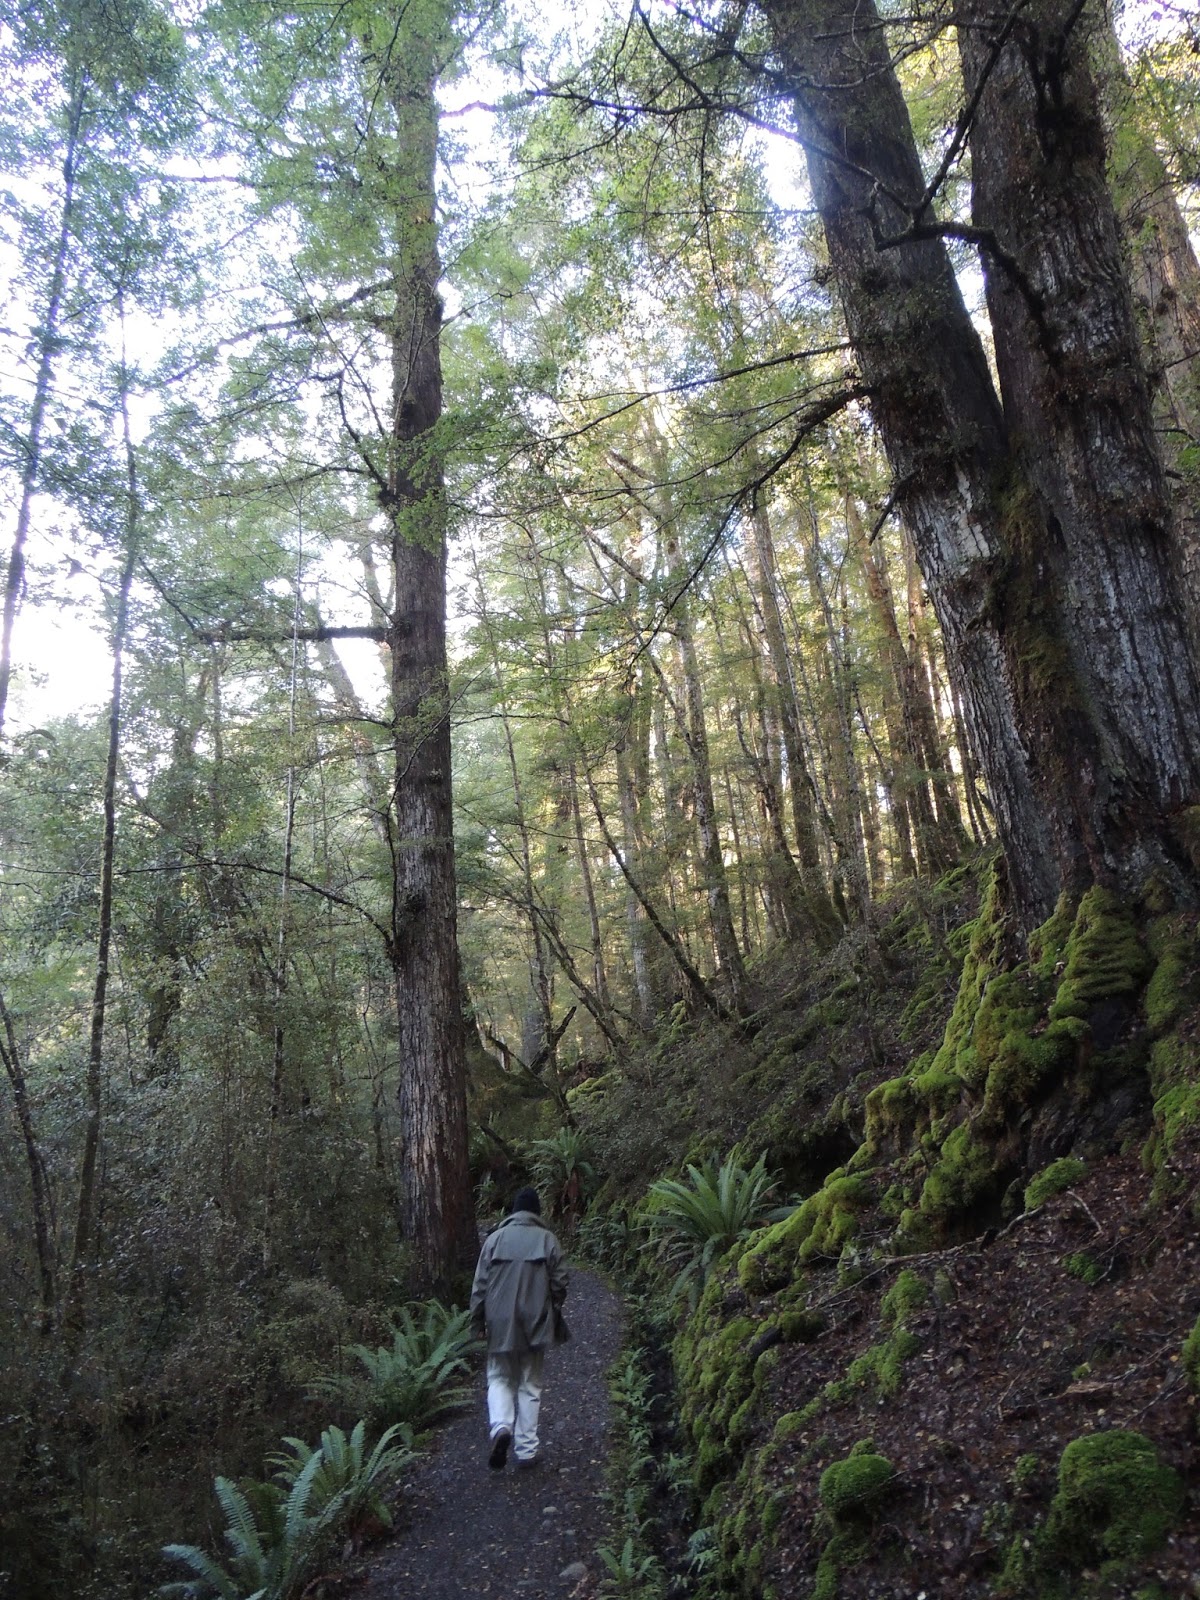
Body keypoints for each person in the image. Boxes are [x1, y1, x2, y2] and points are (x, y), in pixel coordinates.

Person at [469, 1186, 569, 1470]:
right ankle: (526, 1450)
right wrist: (552, 1306)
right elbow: (561, 1281)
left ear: (513, 1212)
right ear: (536, 1212)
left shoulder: (494, 1240)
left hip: (499, 1321)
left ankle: (501, 1426)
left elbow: (480, 1286)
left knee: (499, 1377)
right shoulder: (548, 1240)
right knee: (530, 1383)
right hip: (535, 1321)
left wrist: (477, 1321)